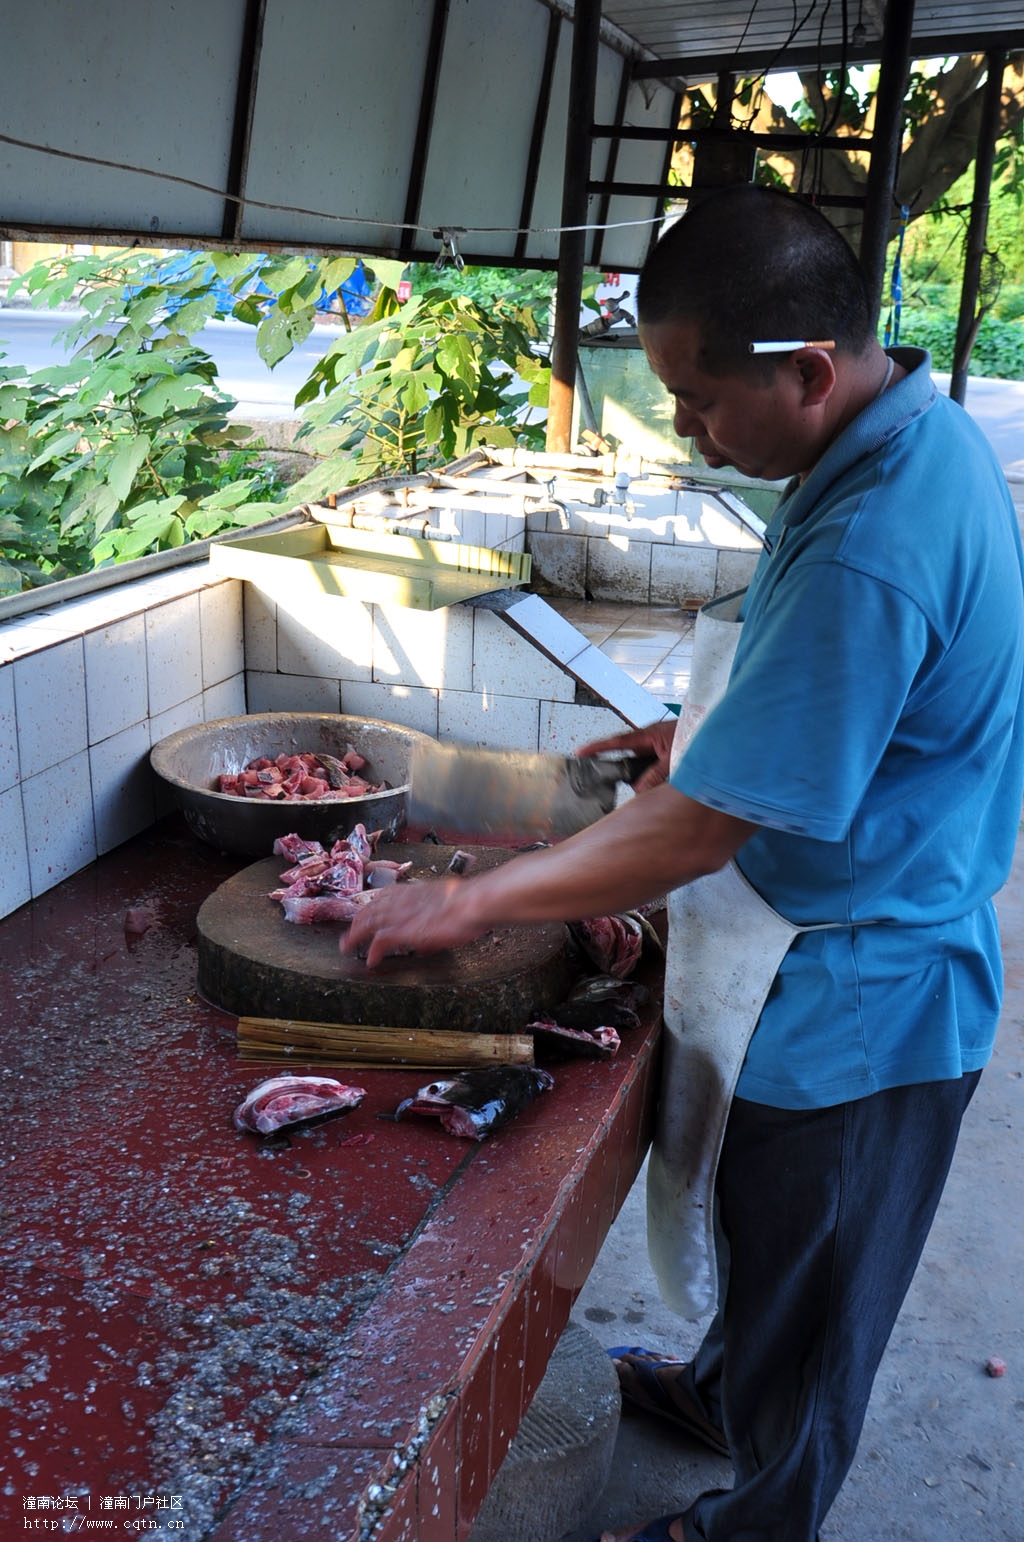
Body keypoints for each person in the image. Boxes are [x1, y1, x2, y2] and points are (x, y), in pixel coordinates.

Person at [344, 184, 1024, 1542]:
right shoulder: (903, 440)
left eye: (700, 399)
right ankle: (723, 1390)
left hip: (864, 995)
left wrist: (471, 896)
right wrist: (702, 726)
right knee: (771, 1249)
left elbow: (704, 823)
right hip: (833, 935)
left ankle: (756, 1514)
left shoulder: (876, 536)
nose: (684, 428)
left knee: (821, 1284)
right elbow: (842, 688)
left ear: (810, 372)